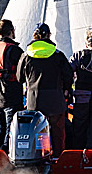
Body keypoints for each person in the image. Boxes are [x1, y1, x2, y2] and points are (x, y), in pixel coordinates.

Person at [16, 23, 73, 157]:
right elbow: (69, 75)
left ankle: (37, 157)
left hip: (33, 101)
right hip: (55, 100)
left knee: (35, 131)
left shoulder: (26, 55)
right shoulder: (58, 55)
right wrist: (66, 89)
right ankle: (58, 159)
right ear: (49, 35)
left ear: (34, 36)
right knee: (58, 131)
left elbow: (19, 78)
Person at [0, 19, 25, 150]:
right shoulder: (14, 49)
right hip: (11, 95)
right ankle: (6, 155)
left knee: (1, 129)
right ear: (12, 31)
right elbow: (24, 70)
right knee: (11, 128)